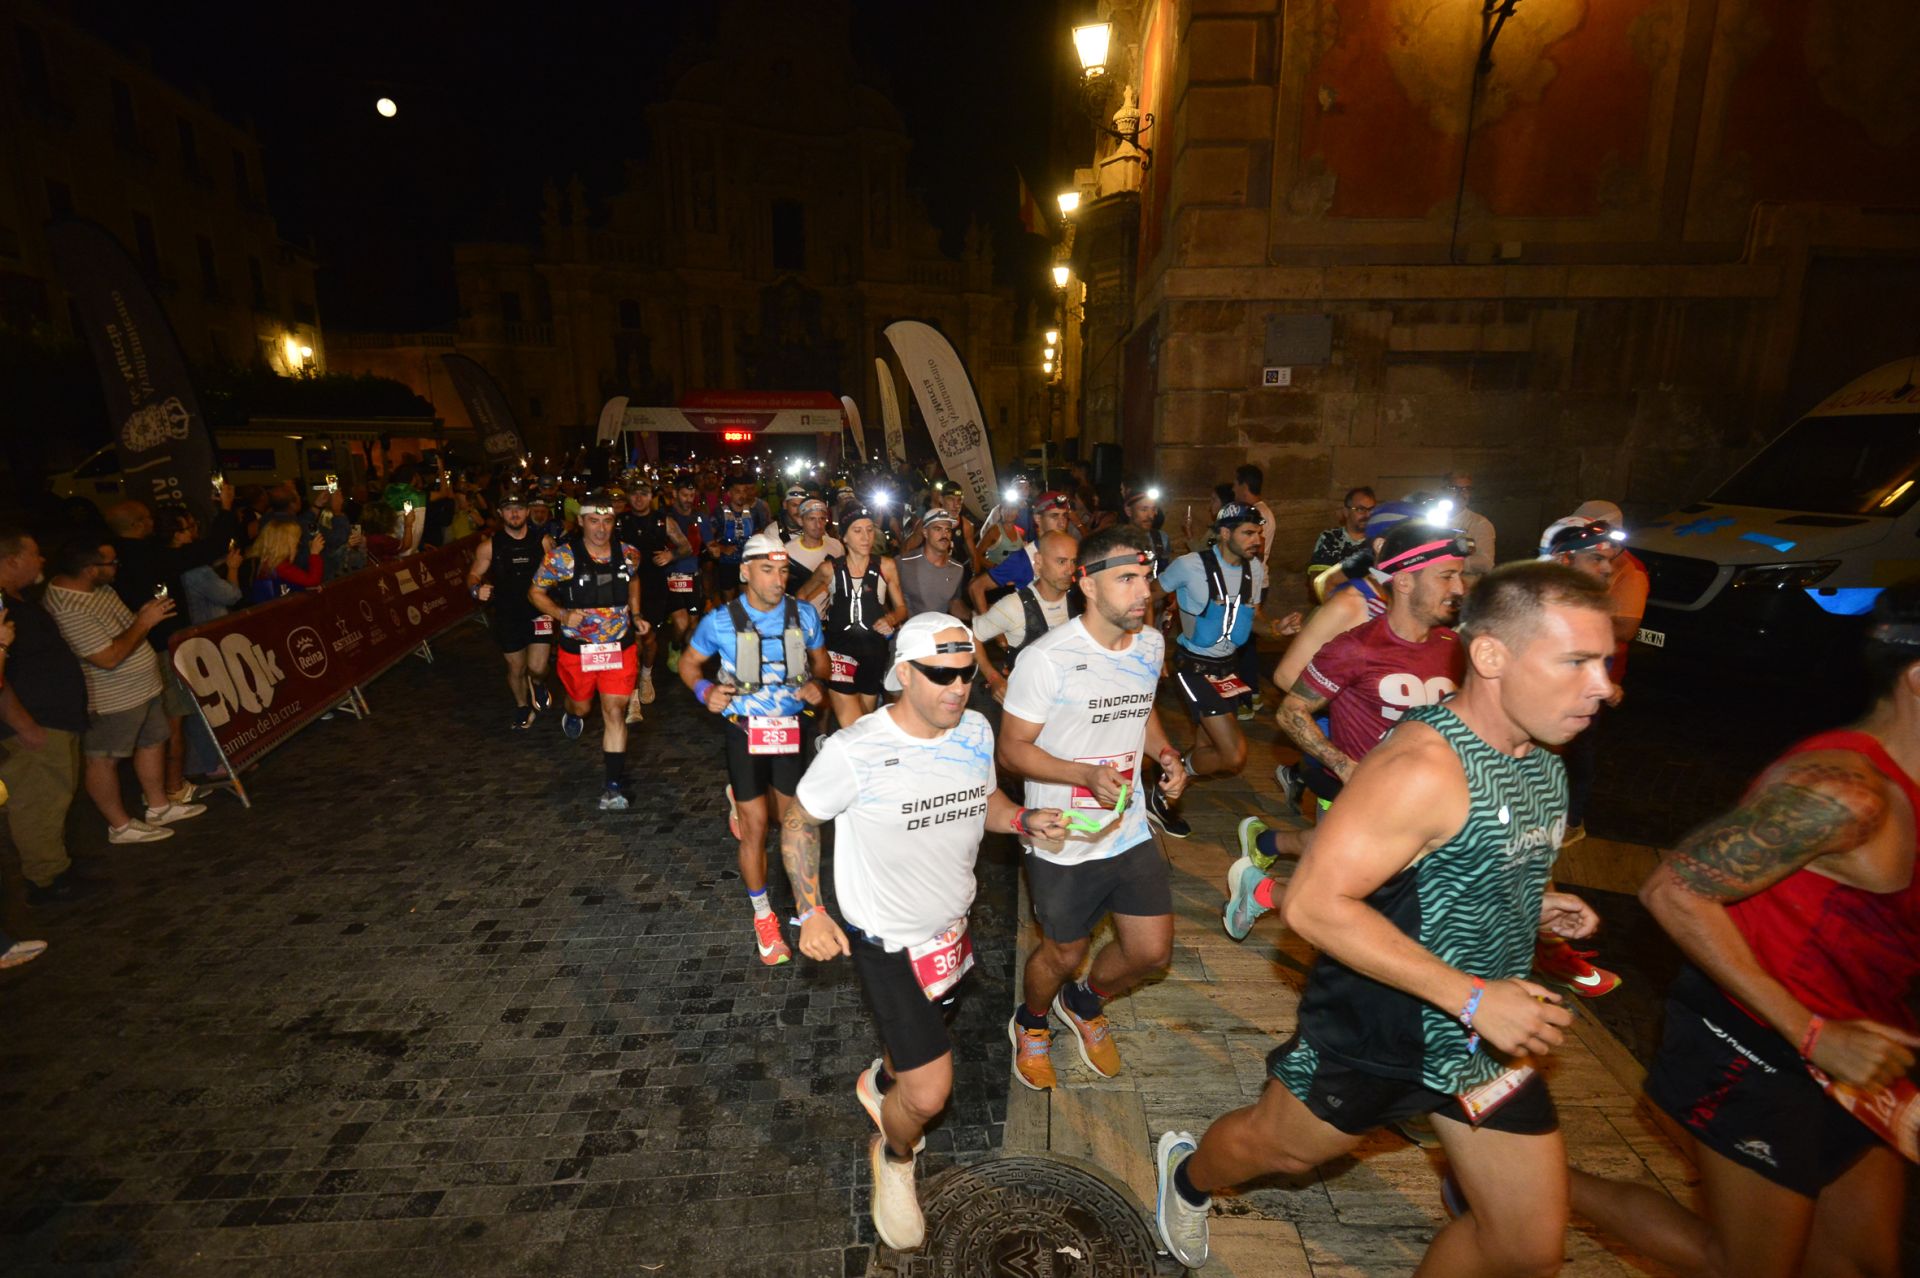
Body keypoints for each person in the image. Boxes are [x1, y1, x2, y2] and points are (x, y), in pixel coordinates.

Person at [1154, 561, 1614, 1274]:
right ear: (1492, 656)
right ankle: (1186, 1176)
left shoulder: (1544, 761)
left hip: (1482, 1040)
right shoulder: (1422, 768)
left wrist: (1533, 901)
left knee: (1524, 1249)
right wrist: (1473, 997)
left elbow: (1463, 862)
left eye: (1605, 662)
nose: (1604, 686)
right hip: (1383, 1028)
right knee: (1279, 1150)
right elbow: (1312, 903)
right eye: (1576, 661)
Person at [1565, 582, 1920, 1278]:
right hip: (1759, 1043)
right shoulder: (1842, 793)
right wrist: (1813, 1036)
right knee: (1745, 1265)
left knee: (1860, 1266)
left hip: (1854, 1053)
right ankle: (1509, 1178)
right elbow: (1673, 892)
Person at [781, 612, 1069, 1250]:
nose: (958, 687)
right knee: (931, 1092)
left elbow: (982, 802)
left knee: (915, 1048)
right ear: (903, 674)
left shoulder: (974, 730)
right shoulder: (855, 750)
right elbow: (800, 820)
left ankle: (882, 1082)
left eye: (966, 674)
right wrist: (811, 909)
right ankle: (894, 1156)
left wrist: (1022, 820)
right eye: (941, 675)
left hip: (953, 933)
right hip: (887, 943)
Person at [1001, 525, 1189, 1091]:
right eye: (1127, 578)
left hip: (1126, 828)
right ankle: (1032, 1021)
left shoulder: (1150, 644)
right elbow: (1012, 750)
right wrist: (1083, 774)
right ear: (1087, 583)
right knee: (1064, 952)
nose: (1144, 591)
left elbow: (1142, 711)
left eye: (1146, 578)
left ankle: (1083, 1003)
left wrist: (1164, 753)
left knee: (1151, 952)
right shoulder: (1047, 659)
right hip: (1062, 837)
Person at [1229, 521, 1468, 934]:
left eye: (1460, 576)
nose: (1459, 588)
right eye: (1447, 576)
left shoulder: (1454, 648)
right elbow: (1290, 710)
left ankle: (1266, 849)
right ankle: (1260, 889)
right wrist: (1343, 764)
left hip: (1429, 803)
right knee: (1339, 907)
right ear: (1405, 581)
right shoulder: (1357, 644)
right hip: (1363, 799)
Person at [679, 529, 829, 965]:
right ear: (745, 572)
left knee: (792, 822)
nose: (777, 580)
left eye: (782, 572)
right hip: (744, 730)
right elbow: (689, 665)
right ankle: (765, 916)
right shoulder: (719, 621)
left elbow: (820, 664)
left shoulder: (804, 614)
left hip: (789, 729)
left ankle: (806, 905)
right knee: (756, 827)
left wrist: (817, 686)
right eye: (767, 570)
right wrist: (705, 690)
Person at [43, 539, 207, 843]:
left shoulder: (101, 589)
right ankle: (119, 825)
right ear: (90, 569)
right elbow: (108, 657)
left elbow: (123, 629)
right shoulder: (69, 607)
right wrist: (144, 623)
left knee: (154, 741)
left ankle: (159, 807)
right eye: (111, 563)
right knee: (104, 759)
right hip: (111, 698)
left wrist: (141, 618)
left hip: (142, 687)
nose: (118, 567)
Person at [1151, 503, 1275, 839]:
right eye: (1248, 533)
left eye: (1259, 533)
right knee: (1233, 755)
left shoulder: (1255, 569)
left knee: (1208, 746)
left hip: (1228, 669)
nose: (1256, 539)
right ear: (1224, 533)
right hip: (1193, 667)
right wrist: (1150, 643)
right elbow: (1148, 595)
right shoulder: (1189, 566)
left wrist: (1276, 628)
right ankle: (1170, 781)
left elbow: (1253, 616)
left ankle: (1164, 790)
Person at [528, 490, 649, 809]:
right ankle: (572, 711)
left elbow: (633, 581)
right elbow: (535, 593)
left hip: (619, 648)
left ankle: (613, 786)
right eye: (594, 521)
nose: (601, 528)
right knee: (582, 708)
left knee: (614, 711)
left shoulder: (629, 554)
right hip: (578, 650)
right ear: (581, 521)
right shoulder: (561, 558)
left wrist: (636, 614)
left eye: (607, 521)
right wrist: (562, 614)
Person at [0, 529, 93, 901]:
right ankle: (45, 880)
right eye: (34, 554)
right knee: (38, 801)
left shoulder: (19, 601)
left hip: (54, 716)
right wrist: (23, 725)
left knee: (56, 796)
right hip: (34, 721)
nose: (42, 560)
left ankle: (57, 864)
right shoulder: (2, 608)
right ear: (12, 560)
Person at [799, 508, 906, 730]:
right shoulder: (829, 569)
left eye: (870, 530)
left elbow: (902, 608)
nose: (866, 537)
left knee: (865, 721)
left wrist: (891, 618)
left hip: (874, 652)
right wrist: (811, 629)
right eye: (857, 531)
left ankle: (836, 745)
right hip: (840, 652)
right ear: (844, 537)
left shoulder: (886, 566)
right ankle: (829, 740)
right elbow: (801, 596)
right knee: (853, 726)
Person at [466, 490, 556, 731]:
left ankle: (538, 683)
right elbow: (473, 574)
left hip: (539, 611)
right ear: (500, 513)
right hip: (507, 614)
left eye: (519, 509)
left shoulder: (543, 541)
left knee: (537, 668)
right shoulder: (489, 546)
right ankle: (522, 706)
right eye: (508, 510)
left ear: (527, 512)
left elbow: (559, 572)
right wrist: (476, 589)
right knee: (516, 668)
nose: (514, 514)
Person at [973, 531, 1077, 704]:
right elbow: (972, 637)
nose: (1070, 570)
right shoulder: (1014, 606)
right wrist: (993, 678)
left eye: (1074, 561)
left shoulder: (1080, 600)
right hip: (1028, 704)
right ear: (1039, 562)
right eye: (1061, 562)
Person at [624, 481, 693, 710]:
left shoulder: (663, 521)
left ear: (650, 496)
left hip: (655, 586)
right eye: (634, 494)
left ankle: (646, 674)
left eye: (643, 494)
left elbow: (686, 547)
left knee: (649, 639)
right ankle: (633, 691)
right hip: (627, 587)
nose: (638, 498)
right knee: (634, 642)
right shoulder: (620, 521)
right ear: (628, 496)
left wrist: (671, 556)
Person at [966, 491, 1074, 612]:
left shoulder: (1071, 550)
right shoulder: (1024, 557)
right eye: (1054, 516)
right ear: (1038, 518)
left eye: (1065, 516)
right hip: (1000, 583)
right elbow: (976, 586)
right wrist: (986, 622)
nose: (1062, 523)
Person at [894, 509, 970, 619]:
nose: (944, 534)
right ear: (925, 532)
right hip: (910, 627)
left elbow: (954, 602)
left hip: (940, 628)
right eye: (938, 529)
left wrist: (975, 618)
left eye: (948, 530)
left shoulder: (957, 569)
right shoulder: (904, 563)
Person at [244, 521, 326, 604]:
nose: (297, 549)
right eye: (296, 544)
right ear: (285, 545)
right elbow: (312, 581)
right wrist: (315, 554)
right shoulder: (281, 566)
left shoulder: (266, 563)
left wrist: (305, 588)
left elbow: (285, 586)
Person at [1308, 488, 1376, 584]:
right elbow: (1318, 581)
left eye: (1371, 510)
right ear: (1346, 512)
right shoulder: (1330, 538)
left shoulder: (1379, 541)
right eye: (1360, 509)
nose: (1368, 515)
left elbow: (1388, 581)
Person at [1442, 471, 1496, 585]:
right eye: (1454, 488)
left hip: (1465, 588)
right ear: (1443, 490)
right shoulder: (1430, 518)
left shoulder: (1479, 523)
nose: (1460, 494)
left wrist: (1450, 562)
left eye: (1466, 489)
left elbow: (1486, 563)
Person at [781, 498, 843, 595]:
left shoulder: (836, 546)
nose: (818, 525)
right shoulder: (787, 552)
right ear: (800, 521)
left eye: (822, 519)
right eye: (811, 519)